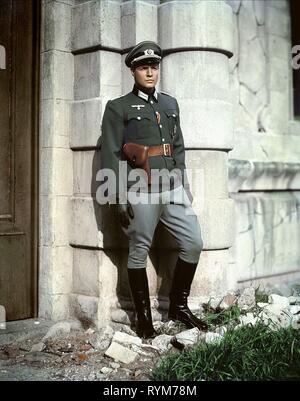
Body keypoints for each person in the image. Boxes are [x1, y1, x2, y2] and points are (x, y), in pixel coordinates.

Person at [100, 41, 207, 338]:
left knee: (194, 242)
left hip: (171, 188)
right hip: (139, 189)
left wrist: (182, 181)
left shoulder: (170, 104)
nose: (150, 72)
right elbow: (111, 153)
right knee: (138, 252)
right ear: (133, 71)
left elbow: (178, 146)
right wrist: (118, 195)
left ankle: (178, 306)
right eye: (144, 67)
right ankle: (144, 320)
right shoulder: (118, 107)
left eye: (154, 67)